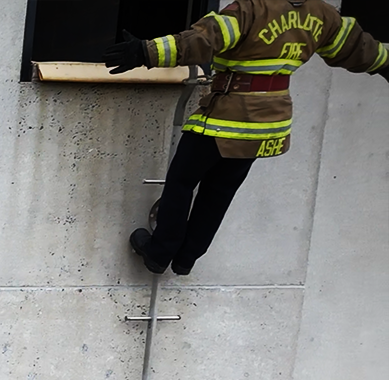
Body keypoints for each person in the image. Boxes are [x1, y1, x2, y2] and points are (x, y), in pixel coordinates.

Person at [104, 0, 386, 275]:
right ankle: (186, 259)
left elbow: (204, 40)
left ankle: (160, 252)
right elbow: (356, 47)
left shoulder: (250, 9)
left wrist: (145, 52)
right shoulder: (322, 14)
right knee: (219, 192)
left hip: (227, 116)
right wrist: (385, 64)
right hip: (267, 124)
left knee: (181, 181)